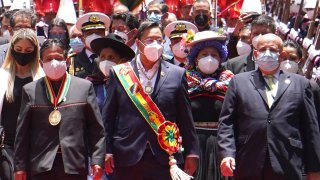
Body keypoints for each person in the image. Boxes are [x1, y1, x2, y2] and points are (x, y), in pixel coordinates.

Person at [102, 21, 199, 180]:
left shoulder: (177, 74)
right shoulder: (119, 73)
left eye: (159, 40)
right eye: (149, 40)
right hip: (127, 154)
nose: (155, 45)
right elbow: (108, 116)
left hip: (164, 157)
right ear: (138, 43)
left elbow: (185, 118)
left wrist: (192, 152)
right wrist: (107, 150)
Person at [217, 33, 320, 179]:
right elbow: (226, 123)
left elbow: (311, 129)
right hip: (248, 162)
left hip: (287, 162)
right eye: (262, 49)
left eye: (272, 49)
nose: (267, 53)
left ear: (282, 54)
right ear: (255, 53)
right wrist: (227, 154)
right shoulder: (239, 82)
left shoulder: (301, 84)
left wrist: (314, 169)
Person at [13, 39, 105, 180]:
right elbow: (22, 133)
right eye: (49, 59)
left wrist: (97, 160)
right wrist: (19, 166)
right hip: (40, 165)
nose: (54, 62)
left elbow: (96, 129)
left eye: (58, 58)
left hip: (74, 164)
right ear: (40, 63)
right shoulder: (30, 90)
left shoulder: (84, 87)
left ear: (67, 61)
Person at [186, 30, 234, 180]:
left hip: (220, 144)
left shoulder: (232, 83)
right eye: (204, 54)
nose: (209, 58)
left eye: (214, 55)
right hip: (192, 144)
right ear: (195, 59)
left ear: (221, 59)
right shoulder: (183, 81)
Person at [0, 28, 44, 180]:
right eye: (18, 49)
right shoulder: (2, 76)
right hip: (7, 145)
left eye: (28, 50)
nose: (23, 53)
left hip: (35, 147)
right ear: (12, 50)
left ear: (35, 51)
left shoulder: (42, 77)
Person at [88, 33, 135, 111]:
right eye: (102, 57)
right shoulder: (91, 83)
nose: (106, 61)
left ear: (122, 61)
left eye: (111, 57)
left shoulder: (130, 85)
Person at [68, 12, 110, 79]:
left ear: (104, 35)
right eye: (89, 33)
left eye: (98, 33)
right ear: (83, 36)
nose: (94, 36)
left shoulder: (112, 58)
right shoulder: (72, 60)